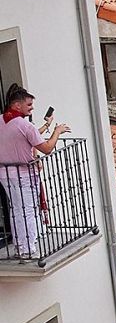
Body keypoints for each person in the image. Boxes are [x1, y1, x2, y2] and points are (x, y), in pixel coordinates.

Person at [1, 84, 72, 258]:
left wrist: (44, 127)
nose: (32, 108)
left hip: (4, 173)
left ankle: (20, 246)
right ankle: (28, 249)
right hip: (23, 174)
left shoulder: (3, 120)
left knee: (16, 209)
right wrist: (57, 131)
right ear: (17, 105)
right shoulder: (25, 125)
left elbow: (22, 137)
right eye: (29, 105)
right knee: (27, 211)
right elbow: (47, 148)